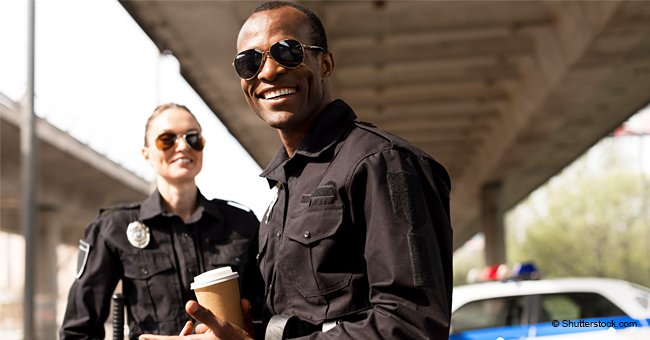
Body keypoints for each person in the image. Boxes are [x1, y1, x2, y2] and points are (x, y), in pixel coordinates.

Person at [141, 1, 453, 338]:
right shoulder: (284, 190)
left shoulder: (383, 162)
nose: (268, 71)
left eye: (287, 52)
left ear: (326, 63)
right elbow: (302, 321)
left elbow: (411, 325)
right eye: (249, 62)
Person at [60, 103, 263, 339]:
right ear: (147, 154)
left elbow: (266, 315)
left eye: (193, 138)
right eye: (167, 139)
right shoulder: (112, 229)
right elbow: (77, 333)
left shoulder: (242, 223)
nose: (183, 146)